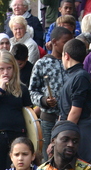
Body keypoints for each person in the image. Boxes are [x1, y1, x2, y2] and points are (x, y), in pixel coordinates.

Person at [29, 27, 73, 161]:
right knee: (48, 155)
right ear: (54, 42)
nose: (68, 46)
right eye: (65, 42)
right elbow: (32, 91)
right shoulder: (42, 63)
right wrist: (43, 100)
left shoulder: (72, 63)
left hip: (68, 117)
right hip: (48, 117)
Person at [59, 38, 91, 163]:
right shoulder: (72, 75)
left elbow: (75, 111)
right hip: (73, 129)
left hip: (81, 133)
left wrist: (64, 134)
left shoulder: (80, 76)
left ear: (66, 55)